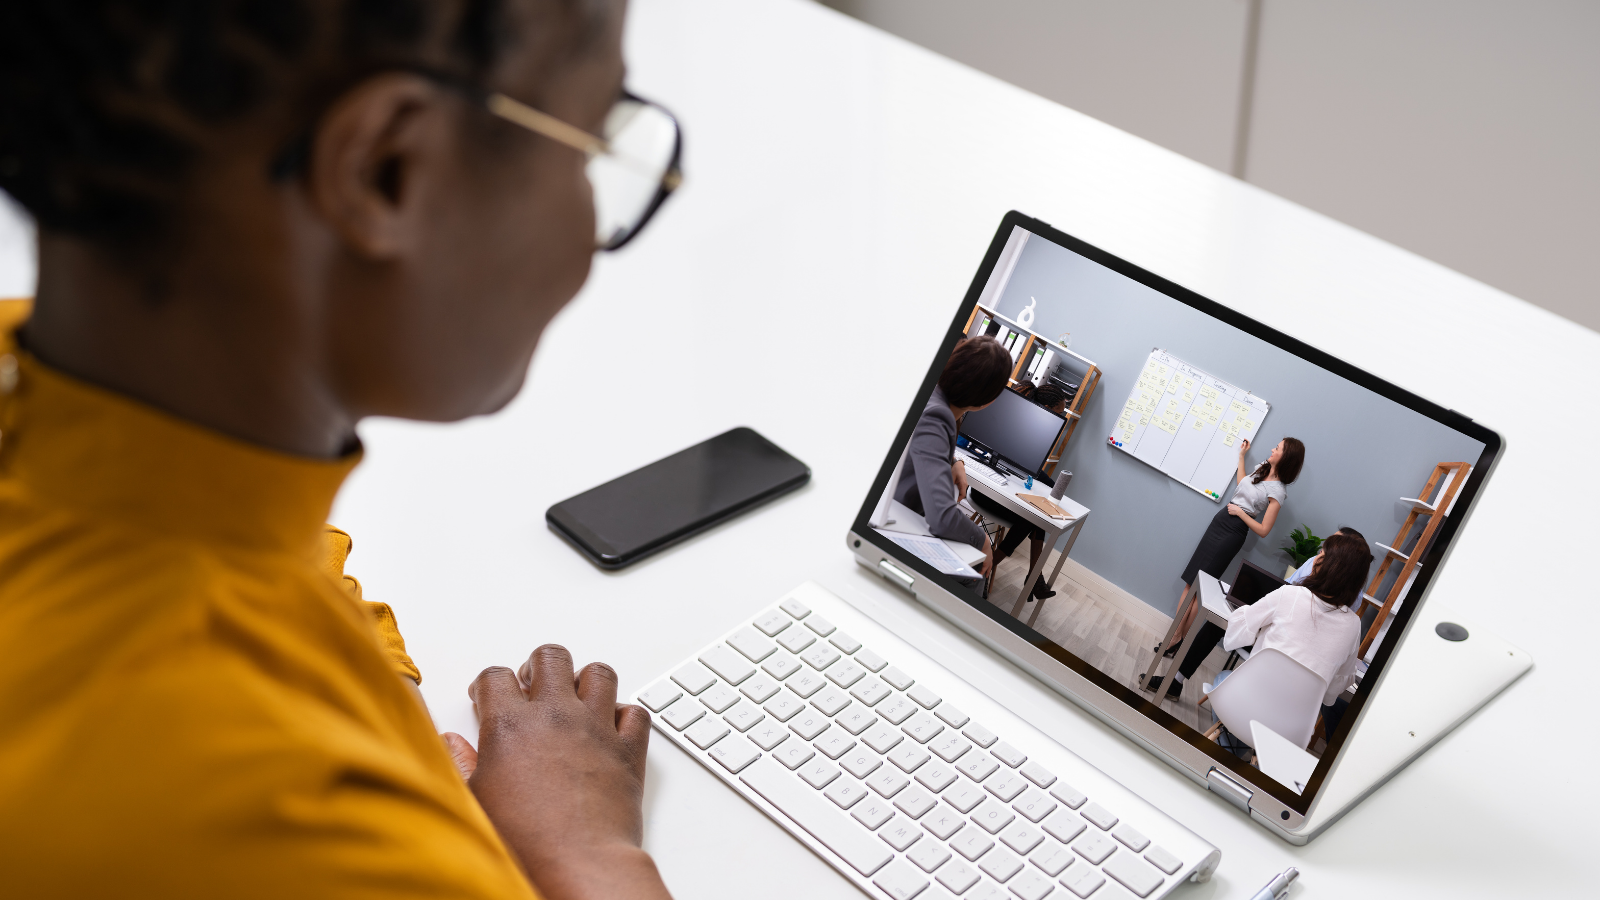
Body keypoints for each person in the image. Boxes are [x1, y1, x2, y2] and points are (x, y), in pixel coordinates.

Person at [0, 1, 677, 898]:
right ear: (384, 170)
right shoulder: (310, 828)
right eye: (589, 144)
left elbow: (274, 560)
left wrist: (387, 723)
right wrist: (585, 853)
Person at [1146, 436, 1305, 701]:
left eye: (1277, 447)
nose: (1273, 448)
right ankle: (1177, 639)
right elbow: (1244, 483)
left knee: (1199, 587)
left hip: (1234, 530)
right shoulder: (1263, 468)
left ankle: (1175, 639)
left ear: (1287, 456)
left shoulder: (1279, 491)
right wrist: (1242, 458)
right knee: (1190, 581)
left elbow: (1264, 530)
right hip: (1220, 522)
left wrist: (1242, 514)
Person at [1202, 532, 1373, 750]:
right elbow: (1331, 694)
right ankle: (1249, 757)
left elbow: (1236, 632)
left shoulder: (1290, 595)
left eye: (1322, 553)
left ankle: (1230, 752)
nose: (1316, 557)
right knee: (1262, 720)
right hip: (1292, 734)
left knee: (1224, 679)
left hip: (1244, 708)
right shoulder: (1353, 626)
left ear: (1327, 564)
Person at [894, 335, 1013, 578]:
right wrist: (982, 540)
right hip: (897, 520)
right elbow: (942, 517)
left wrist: (954, 460)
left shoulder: (931, 396)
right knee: (975, 574)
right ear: (985, 403)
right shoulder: (937, 416)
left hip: (900, 511)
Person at [968, 381, 1071, 600]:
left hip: (1001, 497)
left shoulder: (1029, 441)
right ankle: (1018, 574)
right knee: (1032, 519)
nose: (1059, 420)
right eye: (1057, 413)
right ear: (1044, 409)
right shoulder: (1013, 432)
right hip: (986, 493)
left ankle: (1020, 574)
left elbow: (1046, 484)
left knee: (1035, 517)